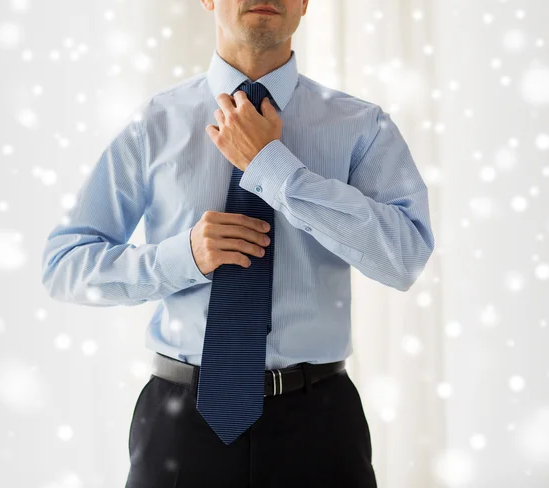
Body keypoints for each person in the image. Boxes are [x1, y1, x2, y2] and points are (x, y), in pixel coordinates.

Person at [41, 0, 435, 486]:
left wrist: (275, 168)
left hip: (321, 427)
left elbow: (404, 258)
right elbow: (64, 265)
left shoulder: (362, 127)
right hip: (180, 424)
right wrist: (181, 257)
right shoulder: (155, 124)